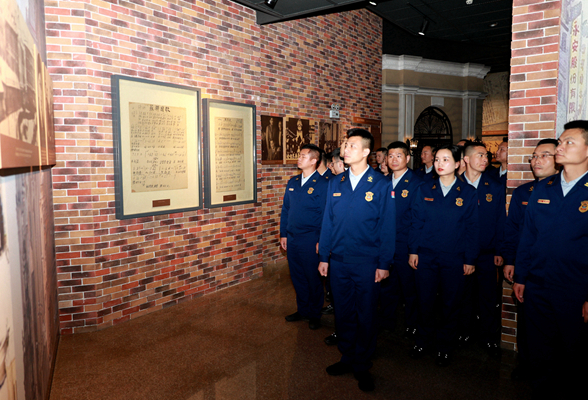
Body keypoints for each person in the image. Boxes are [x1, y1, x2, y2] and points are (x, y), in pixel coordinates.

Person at [513, 120, 588, 399]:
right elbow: (528, 237)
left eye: (569, 142)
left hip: (575, 289)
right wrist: (521, 277)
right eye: (560, 142)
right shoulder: (544, 188)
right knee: (540, 352)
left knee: (573, 355)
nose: (560, 147)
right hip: (538, 286)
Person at [318, 128, 396, 392]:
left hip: (367, 262)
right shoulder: (335, 183)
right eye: (345, 145)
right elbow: (327, 223)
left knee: (366, 313)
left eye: (351, 145)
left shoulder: (381, 184)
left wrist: (384, 263)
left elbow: (387, 227)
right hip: (338, 260)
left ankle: (362, 363)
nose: (345, 149)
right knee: (343, 312)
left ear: (366, 152)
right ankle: (347, 356)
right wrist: (324, 256)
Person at [408, 144, 479, 367]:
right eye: (437, 159)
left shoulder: (467, 193)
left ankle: (445, 345)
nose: (440, 164)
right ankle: (423, 340)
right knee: (425, 300)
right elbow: (416, 222)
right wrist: (413, 250)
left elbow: (472, 228)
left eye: (446, 159)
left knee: (451, 303)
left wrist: (470, 259)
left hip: (454, 257)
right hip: (427, 256)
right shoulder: (424, 188)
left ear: (458, 164)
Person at [502, 138, 559, 381]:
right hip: (529, 269)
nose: (536, 161)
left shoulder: (565, 191)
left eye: (544, 155)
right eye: (534, 157)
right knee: (526, 323)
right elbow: (514, 230)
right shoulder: (524, 192)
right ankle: (525, 364)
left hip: (559, 273)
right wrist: (510, 260)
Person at [459, 141, 506, 356]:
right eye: (480, 155)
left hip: (487, 253)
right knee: (463, 295)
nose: (485, 159)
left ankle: (488, 336)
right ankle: (464, 332)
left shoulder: (494, 186)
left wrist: (499, 250)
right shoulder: (455, 185)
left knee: (487, 296)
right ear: (466, 159)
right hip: (460, 252)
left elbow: (499, 221)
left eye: (486, 155)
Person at [280, 144, 329, 330]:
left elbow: (326, 215)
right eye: (299, 156)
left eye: (302, 156)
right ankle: (303, 310)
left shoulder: (323, 184)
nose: (298, 159)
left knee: (312, 277)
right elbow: (286, 210)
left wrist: (322, 241)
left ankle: (315, 313)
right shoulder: (292, 182)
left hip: (311, 238)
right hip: (292, 238)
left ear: (314, 160)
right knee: (297, 276)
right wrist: (283, 234)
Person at [379, 141, 422, 339]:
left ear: (407, 158)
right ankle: (386, 321)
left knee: (409, 288)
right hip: (386, 244)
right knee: (387, 285)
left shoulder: (416, 183)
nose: (394, 160)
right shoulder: (383, 183)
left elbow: (417, 219)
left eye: (398, 156)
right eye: (390, 156)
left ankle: (413, 324)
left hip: (405, 244)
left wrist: (413, 248)